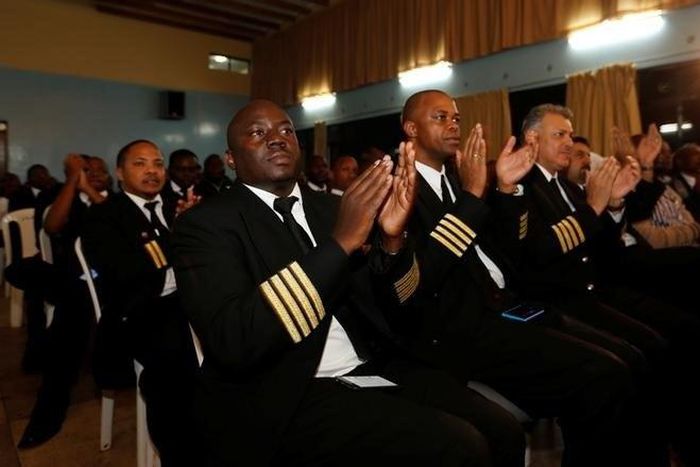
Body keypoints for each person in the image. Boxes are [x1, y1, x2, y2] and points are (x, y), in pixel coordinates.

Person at [172, 99, 528, 467]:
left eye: (286, 130)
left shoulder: (331, 208)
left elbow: (394, 304)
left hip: (373, 363)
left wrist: (392, 241)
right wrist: (339, 245)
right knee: (458, 446)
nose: (277, 139)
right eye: (258, 133)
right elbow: (234, 339)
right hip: (288, 388)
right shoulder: (206, 225)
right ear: (231, 158)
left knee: (502, 430)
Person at [399, 90, 634, 467]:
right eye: (440, 117)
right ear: (410, 128)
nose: (453, 125)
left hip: (510, 305)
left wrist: (506, 190)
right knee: (603, 375)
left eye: (457, 118)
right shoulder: (402, 188)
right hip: (459, 328)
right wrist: (476, 197)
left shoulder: (461, 178)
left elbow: (508, 252)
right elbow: (420, 278)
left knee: (622, 358)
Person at [81, 140, 199, 466]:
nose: (152, 171)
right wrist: (182, 236)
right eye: (140, 163)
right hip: (138, 314)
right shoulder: (105, 216)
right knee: (174, 364)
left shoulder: (182, 204)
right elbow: (127, 273)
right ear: (120, 172)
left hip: (190, 303)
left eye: (158, 164)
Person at [15, 154, 111, 449]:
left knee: (66, 308)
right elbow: (52, 227)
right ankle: (48, 411)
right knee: (56, 290)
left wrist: (89, 188)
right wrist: (73, 181)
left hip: (107, 281)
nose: (93, 175)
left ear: (111, 176)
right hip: (73, 278)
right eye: (86, 171)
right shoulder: (60, 196)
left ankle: (45, 400)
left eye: (100, 172)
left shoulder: (115, 202)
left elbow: (119, 227)